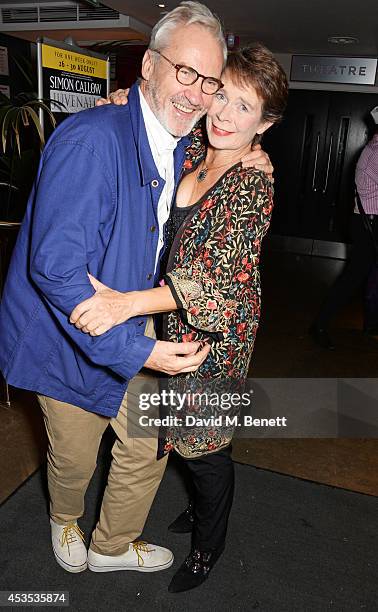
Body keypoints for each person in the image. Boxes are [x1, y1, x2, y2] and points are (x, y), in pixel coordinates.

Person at [0, 2, 271, 578]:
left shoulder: (185, 143)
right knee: (73, 454)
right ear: (147, 66)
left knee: (147, 445)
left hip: (146, 323)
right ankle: (65, 520)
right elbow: (55, 270)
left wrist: (250, 153)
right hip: (70, 332)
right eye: (185, 73)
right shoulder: (92, 141)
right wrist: (135, 345)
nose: (200, 96)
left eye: (212, 82)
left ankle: (113, 545)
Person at [70, 42, 288, 592]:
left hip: (214, 340)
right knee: (176, 432)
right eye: (222, 94)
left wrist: (124, 303)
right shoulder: (194, 144)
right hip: (170, 328)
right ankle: (202, 505)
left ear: (266, 122)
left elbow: (215, 284)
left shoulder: (253, 183)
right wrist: (123, 99)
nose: (223, 114)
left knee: (206, 448)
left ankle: (209, 544)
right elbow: (150, 120)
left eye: (245, 107)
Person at [310, 106, 378, 349]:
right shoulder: (374, 153)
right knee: (353, 278)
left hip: (368, 222)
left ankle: (370, 324)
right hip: (368, 223)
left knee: (365, 276)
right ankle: (320, 325)